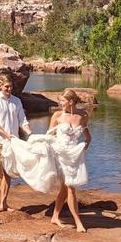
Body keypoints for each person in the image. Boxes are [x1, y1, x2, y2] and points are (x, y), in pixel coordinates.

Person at [0, 72, 32, 217]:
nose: (9, 89)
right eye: (6, 87)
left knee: (8, 173)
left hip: (14, 143)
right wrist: (6, 135)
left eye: (11, 86)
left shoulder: (17, 101)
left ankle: (4, 203)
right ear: (0, 86)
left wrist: (31, 134)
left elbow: (22, 121)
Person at [48, 89, 91, 232]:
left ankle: (55, 216)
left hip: (74, 156)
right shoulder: (58, 115)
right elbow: (49, 136)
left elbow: (87, 136)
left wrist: (83, 147)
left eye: (62, 101)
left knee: (65, 189)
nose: (60, 103)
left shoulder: (83, 115)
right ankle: (78, 222)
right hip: (60, 155)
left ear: (71, 102)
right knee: (71, 188)